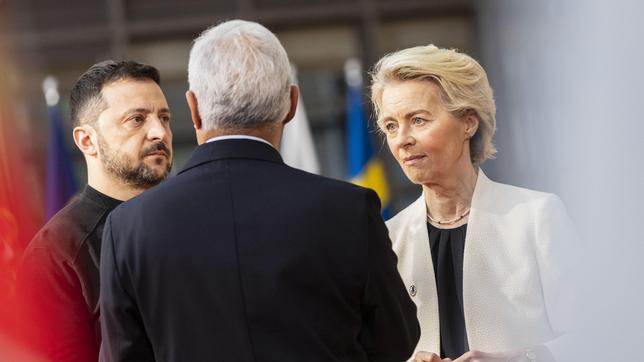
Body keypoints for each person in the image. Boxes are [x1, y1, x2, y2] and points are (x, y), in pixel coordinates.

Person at [99, 20, 420, 362]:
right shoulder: (351, 209)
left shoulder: (126, 227)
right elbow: (396, 340)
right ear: (291, 105)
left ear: (193, 108)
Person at [369, 45, 577, 362]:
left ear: (468, 122)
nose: (402, 139)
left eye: (419, 120)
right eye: (391, 126)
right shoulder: (387, 241)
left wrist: (518, 359)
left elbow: (599, 335)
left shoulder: (537, 217)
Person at [17, 60, 173, 362]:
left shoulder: (189, 221)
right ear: (87, 140)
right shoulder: (55, 254)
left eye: (164, 118)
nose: (159, 133)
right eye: (137, 119)